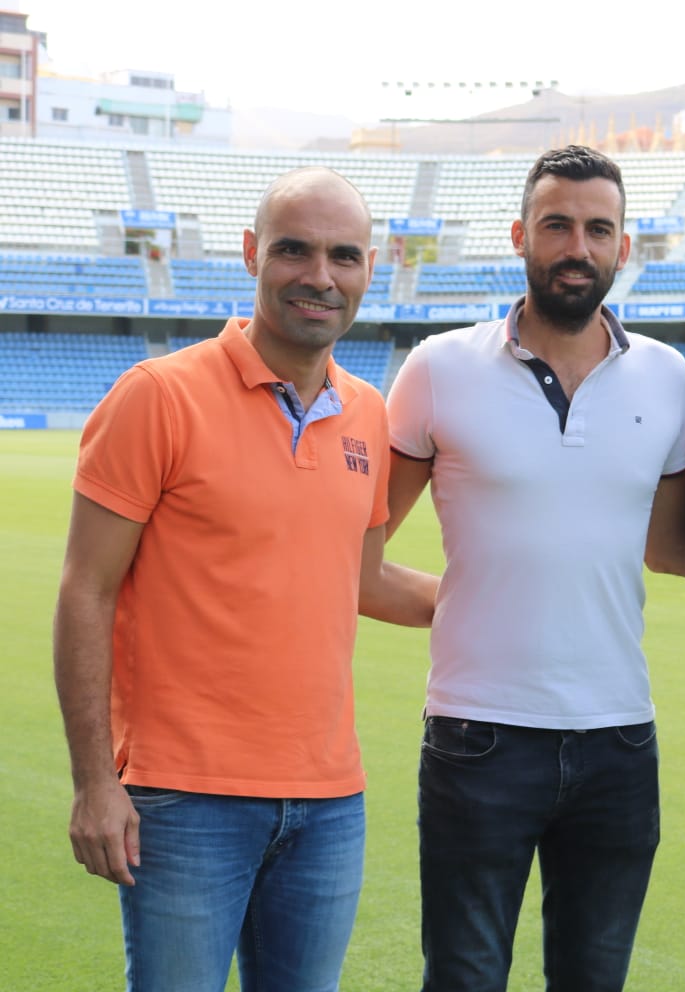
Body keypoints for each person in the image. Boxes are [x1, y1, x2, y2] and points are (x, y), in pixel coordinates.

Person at [53, 166, 438, 991]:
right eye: (294, 250)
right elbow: (85, 589)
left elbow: (359, 579)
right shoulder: (158, 396)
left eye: (343, 256)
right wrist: (94, 781)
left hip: (331, 800)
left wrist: (487, 602)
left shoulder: (368, 412)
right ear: (250, 255)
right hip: (186, 799)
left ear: (369, 268)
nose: (319, 277)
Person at [383, 145, 685, 992]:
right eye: (557, 225)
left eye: (599, 229)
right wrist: (454, 605)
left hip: (620, 740)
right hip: (477, 738)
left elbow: (668, 544)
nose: (577, 247)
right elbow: (353, 550)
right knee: (465, 974)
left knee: (594, 979)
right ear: (521, 235)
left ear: (623, 247)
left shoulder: (667, 377)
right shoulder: (439, 369)